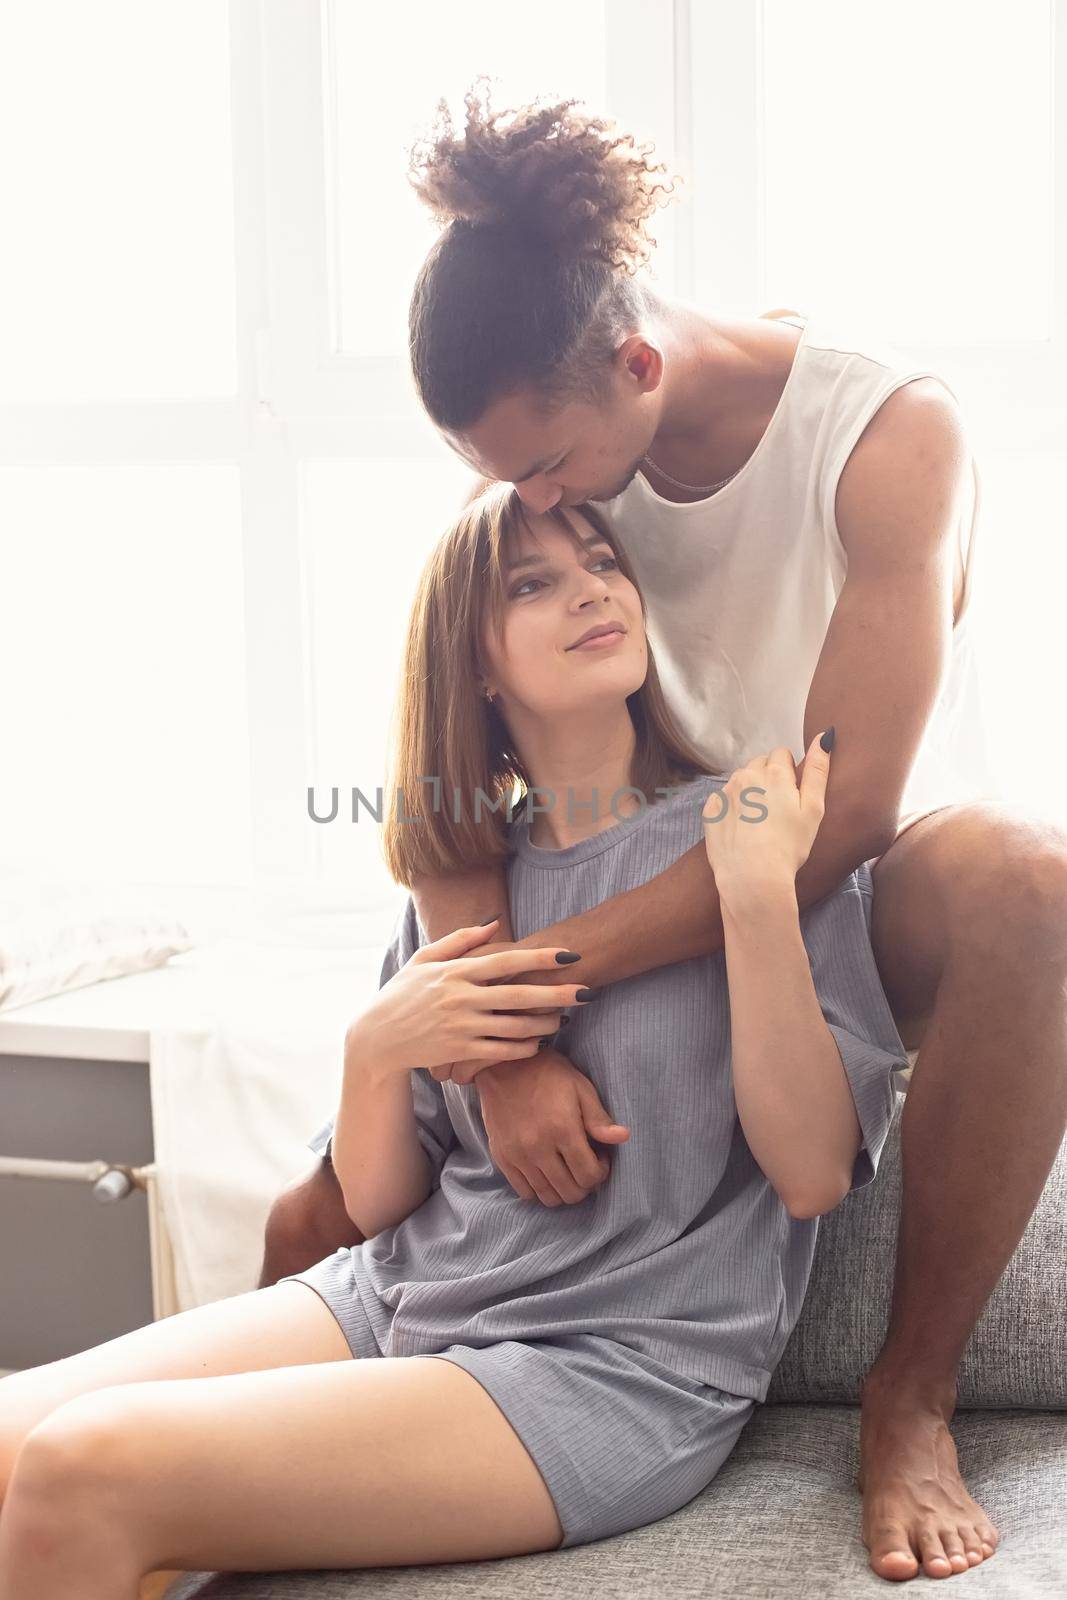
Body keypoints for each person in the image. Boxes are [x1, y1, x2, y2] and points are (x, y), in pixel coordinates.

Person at [264, 80, 1067, 1583]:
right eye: (503, 485)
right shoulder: (563, 448)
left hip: (825, 864)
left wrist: (530, 983)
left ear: (635, 365)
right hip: (614, 846)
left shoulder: (883, 437)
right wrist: (490, 1048)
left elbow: (837, 823)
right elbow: (450, 730)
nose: (533, 504)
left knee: (1031, 872)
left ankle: (908, 1395)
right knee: (313, 1205)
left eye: (543, 472)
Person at [1, 488, 921, 1585]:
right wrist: (377, 1045)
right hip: (393, 1298)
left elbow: (812, 1173)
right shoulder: (469, 875)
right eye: (531, 583)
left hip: (610, 1367)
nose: (588, 588)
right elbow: (382, 1199)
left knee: (82, 1466)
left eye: (598, 562)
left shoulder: (754, 834)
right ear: (475, 664)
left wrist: (756, 896)